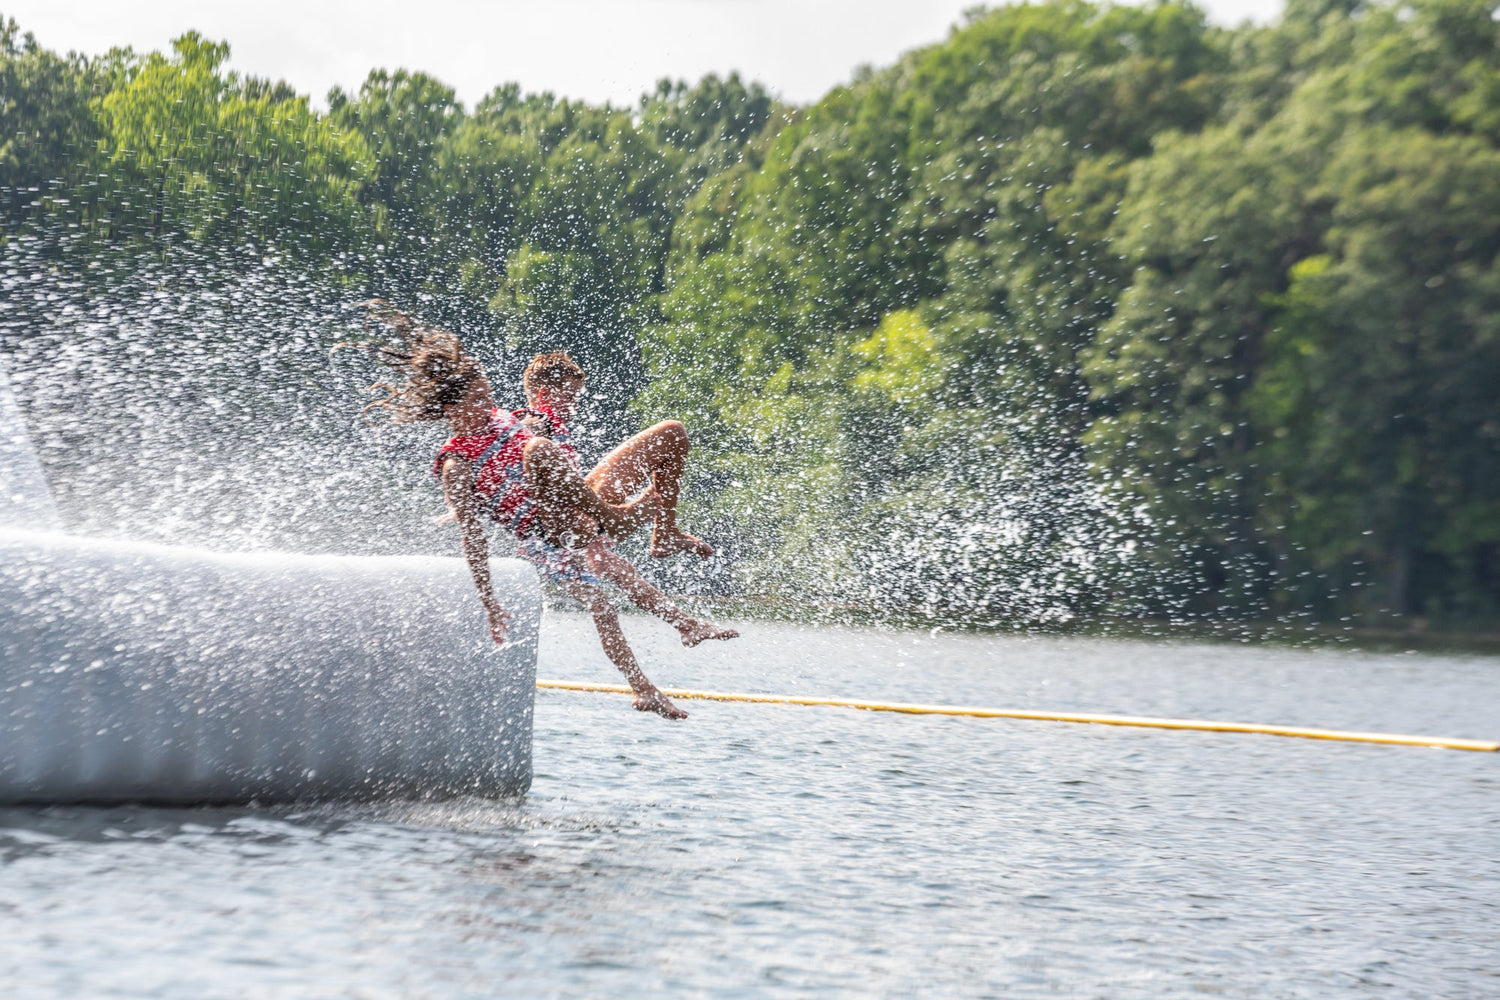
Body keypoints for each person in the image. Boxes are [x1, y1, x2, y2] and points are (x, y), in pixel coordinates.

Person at [352, 303, 719, 719]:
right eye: (479, 398)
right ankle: (643, 684)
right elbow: (472, 536)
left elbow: (540, 420)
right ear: (452, 409)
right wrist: (489, 601)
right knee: (601, 600)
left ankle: (661, 532)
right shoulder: (456, 463)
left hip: (576, 507)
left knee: (671, 434)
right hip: (549, 534)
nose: (491, 403)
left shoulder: (509, 419)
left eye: (490, 393)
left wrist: (546, 419)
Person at [516, 352, 738, 648]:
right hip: (563, 526)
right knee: (603, 560)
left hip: (582, 505)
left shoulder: (548, 424)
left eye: (577, 397)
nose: (575, 405)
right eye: (570, 396)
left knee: (672, 434)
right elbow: (522, 453)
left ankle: (666, 534)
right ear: (544, 394)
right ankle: (686, 625)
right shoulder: (537, 422)